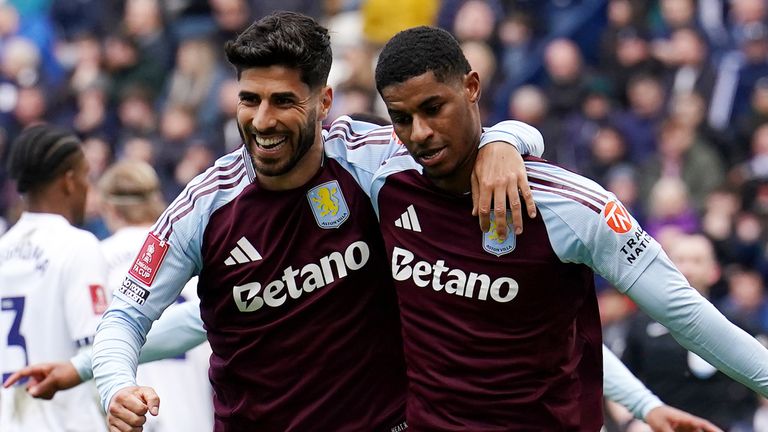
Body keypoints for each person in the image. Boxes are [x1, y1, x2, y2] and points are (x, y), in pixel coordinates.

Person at [89, 11, 540, 432]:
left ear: (324, 102)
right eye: (250, 100)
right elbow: (124, 317)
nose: (262, 120)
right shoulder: (204, 205)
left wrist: (503, 141)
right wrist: (117, 388)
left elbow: (466, 140)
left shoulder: (369, 158)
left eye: (283, 101)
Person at [368, 25, 768, 430]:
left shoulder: (572, 206)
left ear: (472, 87)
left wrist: (506, 136)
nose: (420, 133)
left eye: (434, 108)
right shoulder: (382, 176)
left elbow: (689, 316)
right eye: (402, 118)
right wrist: (510, 135)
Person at [0, 124, 108, 431]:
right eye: (86, 176)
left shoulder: (2, 248)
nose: (88, 187)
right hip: (66, 422)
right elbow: (100, 350)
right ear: (69, 181)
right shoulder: (78, 246)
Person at [97, 160, 214, 432]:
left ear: (110, 208)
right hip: (196, 415)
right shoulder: (190, 254)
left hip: (132, 415)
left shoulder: (98, 259)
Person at [622, 233, 758, 430]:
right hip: (661, 426)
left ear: (714, 271)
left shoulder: (736, 323)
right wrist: (630, 422)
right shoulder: (641, 323)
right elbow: (621, 378)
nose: (687, 269)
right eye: (680, 260)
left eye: (696, 261)